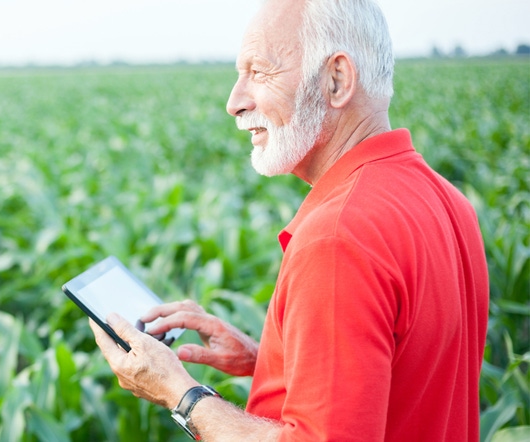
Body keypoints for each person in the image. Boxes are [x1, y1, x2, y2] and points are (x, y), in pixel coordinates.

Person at [89, 0, 489, 440]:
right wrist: (267, 361)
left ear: (336, 80)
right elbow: (404, 379)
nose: (234, 102)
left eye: (259, 72)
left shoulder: (337, 238)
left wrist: (179, 391)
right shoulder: (447, 199)